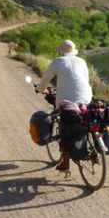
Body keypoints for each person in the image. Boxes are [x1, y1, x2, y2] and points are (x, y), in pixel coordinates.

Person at [38, 39, 93, 171]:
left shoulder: (58, 61)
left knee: (64, 127)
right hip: (86, 97)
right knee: (84, 119)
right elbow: (86, 80)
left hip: (66, 101)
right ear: (74, 52)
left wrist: (41, 89)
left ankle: (65, 163)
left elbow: (45, 79)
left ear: (61, 52)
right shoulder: (82, 61)